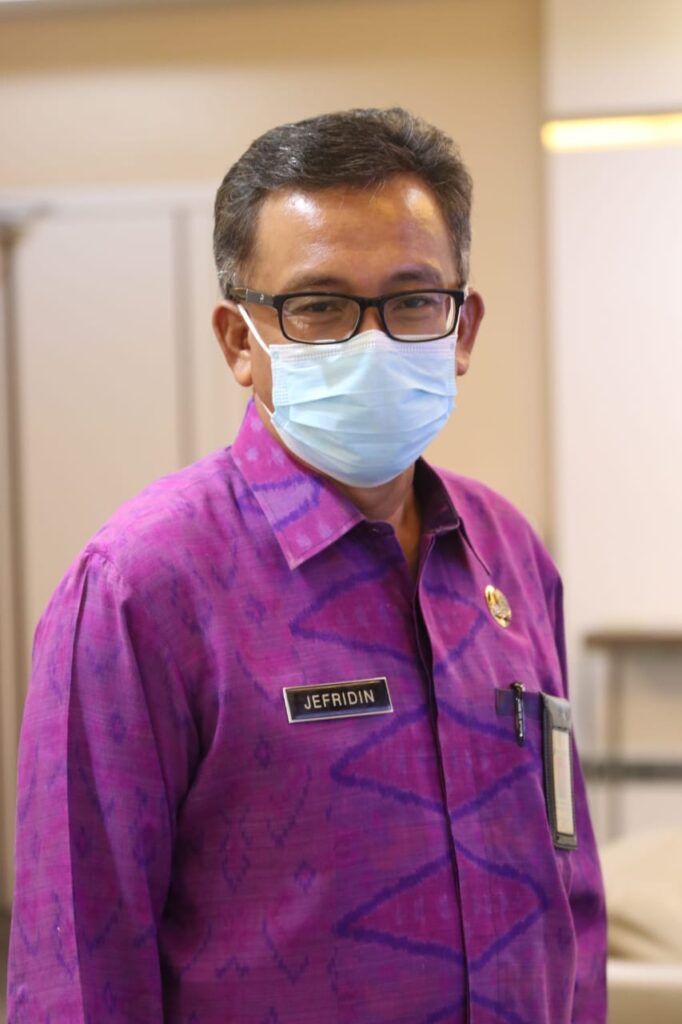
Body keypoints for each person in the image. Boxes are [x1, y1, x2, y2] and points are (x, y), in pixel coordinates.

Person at [8, 108, 606, 1023]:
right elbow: (79, 972)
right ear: (240, 342)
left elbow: (571, 893)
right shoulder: (142, 590)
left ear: (462, 328)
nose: (372, 341)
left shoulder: (508, 555)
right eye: (318, 306)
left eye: (412, 299)